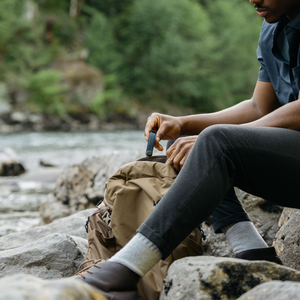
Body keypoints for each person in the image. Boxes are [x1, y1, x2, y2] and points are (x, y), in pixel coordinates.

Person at [76, 0, 300, 299]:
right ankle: (253, 251)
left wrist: (214, 138)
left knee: (215, 142)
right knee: (185, 141)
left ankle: (124, 270)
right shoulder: (273, 24)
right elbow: (259, 106)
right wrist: (183, 124)